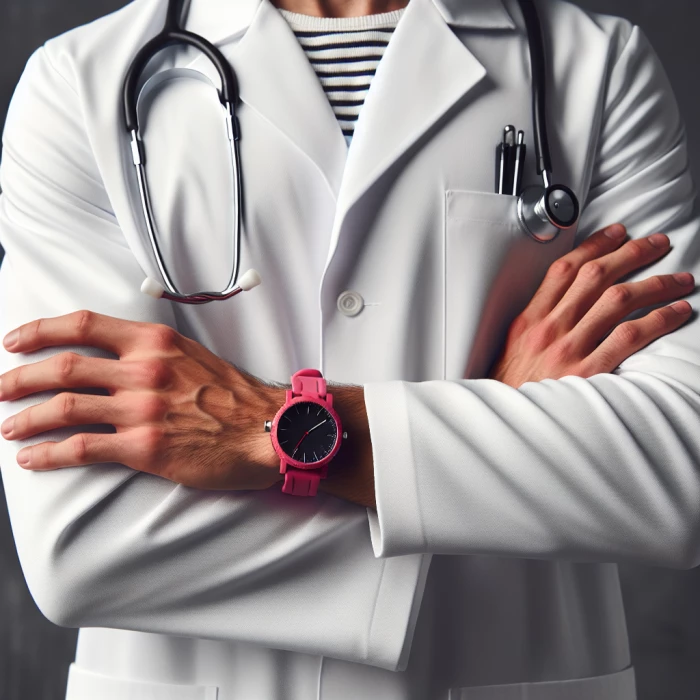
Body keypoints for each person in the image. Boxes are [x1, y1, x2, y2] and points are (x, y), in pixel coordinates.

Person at [0, 0, 698, 697]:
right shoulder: (80, 85)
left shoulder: (600, 70)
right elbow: (85, 545)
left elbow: (680, 467)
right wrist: (498, 424)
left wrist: (266, 429)